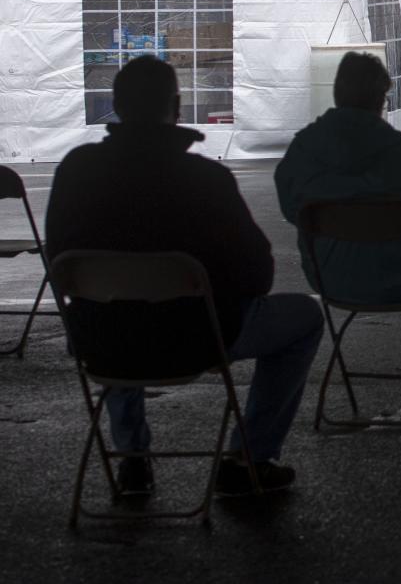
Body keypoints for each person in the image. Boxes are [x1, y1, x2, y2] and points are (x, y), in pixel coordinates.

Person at [45, 55, 324, 497]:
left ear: (115, 104)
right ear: (177, 107)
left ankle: (132, 458)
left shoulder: (76, 171)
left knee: (114, 307)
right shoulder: (206, 179)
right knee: (304, 318)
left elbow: (60, 264)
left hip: (99, 342)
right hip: (196, 340)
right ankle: (249, 458)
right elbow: (259, 274)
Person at [274, 52, 401, 413]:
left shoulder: (303, 149)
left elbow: (290, 209)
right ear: (382, 100)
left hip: (331, 277)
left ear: (336, 94)